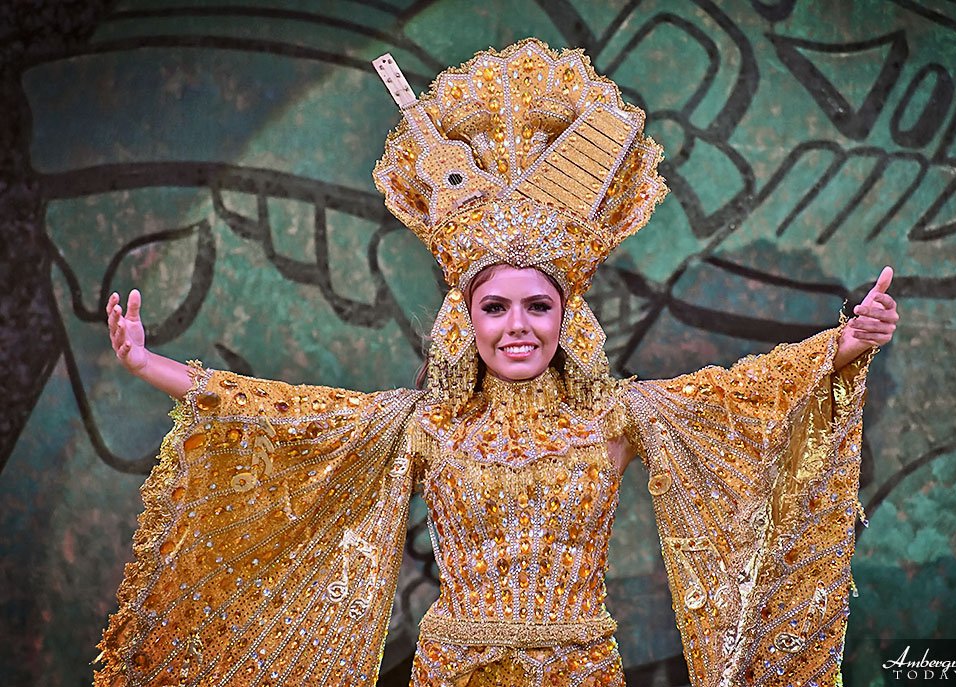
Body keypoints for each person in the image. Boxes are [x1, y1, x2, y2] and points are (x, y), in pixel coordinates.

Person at [94, 39, 898, 687]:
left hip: (580, 672)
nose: (518, 326)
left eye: (538, 305)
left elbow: (745, 396)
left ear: (566, 317)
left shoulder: (614, 416)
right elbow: (289, 413)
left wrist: (847, 342)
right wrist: (148, 365)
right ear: (465, 319)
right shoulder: (425, 425)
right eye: (496, 307)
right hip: (452, 670)